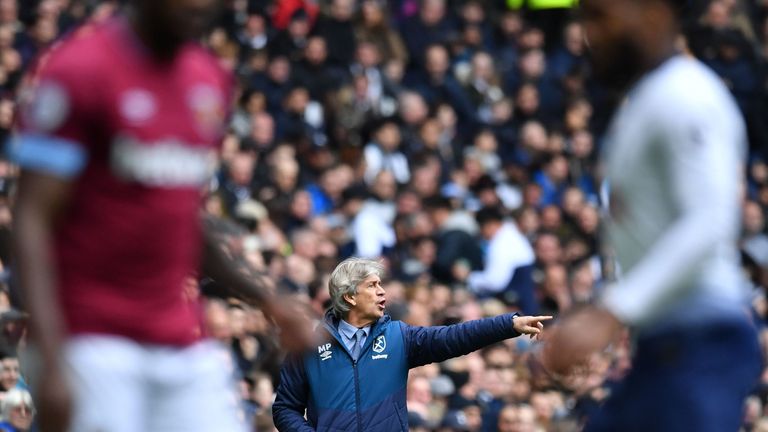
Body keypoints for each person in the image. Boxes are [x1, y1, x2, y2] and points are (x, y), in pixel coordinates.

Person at [10, 0, 313, 431]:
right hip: (90, 337)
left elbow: (183, 219)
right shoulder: (79, 69)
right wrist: (51, 354)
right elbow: (31, 219)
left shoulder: (210, 79)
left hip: (178, 335)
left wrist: (268, 299)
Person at [542, 0, 762, 431]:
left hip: (703, 343)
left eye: (600, 16)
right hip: (662, 350)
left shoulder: (686, 93)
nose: (590, 34)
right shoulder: (647, 98)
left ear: (655, 13)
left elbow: (709, 221)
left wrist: (611, 311)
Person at [272, 257, 551, 431]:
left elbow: (454, 338)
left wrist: (507, 324)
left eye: (381, 284)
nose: (382, 292)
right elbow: (285, 408)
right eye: (372, 285)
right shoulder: (308, 345)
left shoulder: (399, 337)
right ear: (349, 298)